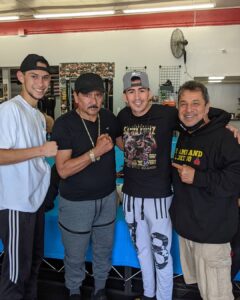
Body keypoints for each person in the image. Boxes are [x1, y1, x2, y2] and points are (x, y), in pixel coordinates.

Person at [51, 73, 122, 300]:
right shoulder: (64, 124)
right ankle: (73, 291)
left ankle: (100, 289)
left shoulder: (109, 118)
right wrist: (95, 153)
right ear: (75, 97)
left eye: (98, 95)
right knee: (75, 254)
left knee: (103, 249)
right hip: (76, 203)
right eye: (87, 95)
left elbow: (128, 144)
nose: (94, 100)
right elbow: (62, 169)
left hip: (108, 199)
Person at [170, 80, 240, 300]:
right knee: (204, 290)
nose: (189, 110)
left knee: (217, 295)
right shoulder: (185, 134)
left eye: (195, 103)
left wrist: (197, 177)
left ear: (207, 107)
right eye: (183, 104)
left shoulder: (225, 138)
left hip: (212, 236)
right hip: (190, 231)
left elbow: (235, 181)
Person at [0, 54, 58, 300]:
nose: (40, 83)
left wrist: (49, 121)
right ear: (21, 77)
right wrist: (41, 151)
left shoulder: (36, 114)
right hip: (16, 204)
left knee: (33, 265)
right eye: (34, 76)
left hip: (34, 202)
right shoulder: (8, 110)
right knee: (15, 274)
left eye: (45, 78)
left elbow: (49, 124)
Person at [117, 71, 178, 300]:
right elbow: (114, 134)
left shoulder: (167, 114)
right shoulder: (122, 116)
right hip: (132, 198)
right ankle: (149, 294)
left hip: (160, 197)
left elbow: (203, 117)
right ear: (125, 96)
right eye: (131, 92)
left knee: (161, 253)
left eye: (141, 90)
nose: (137, 97)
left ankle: (164, 297)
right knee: (142, 252)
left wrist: (228, 127)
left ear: (149, 92)